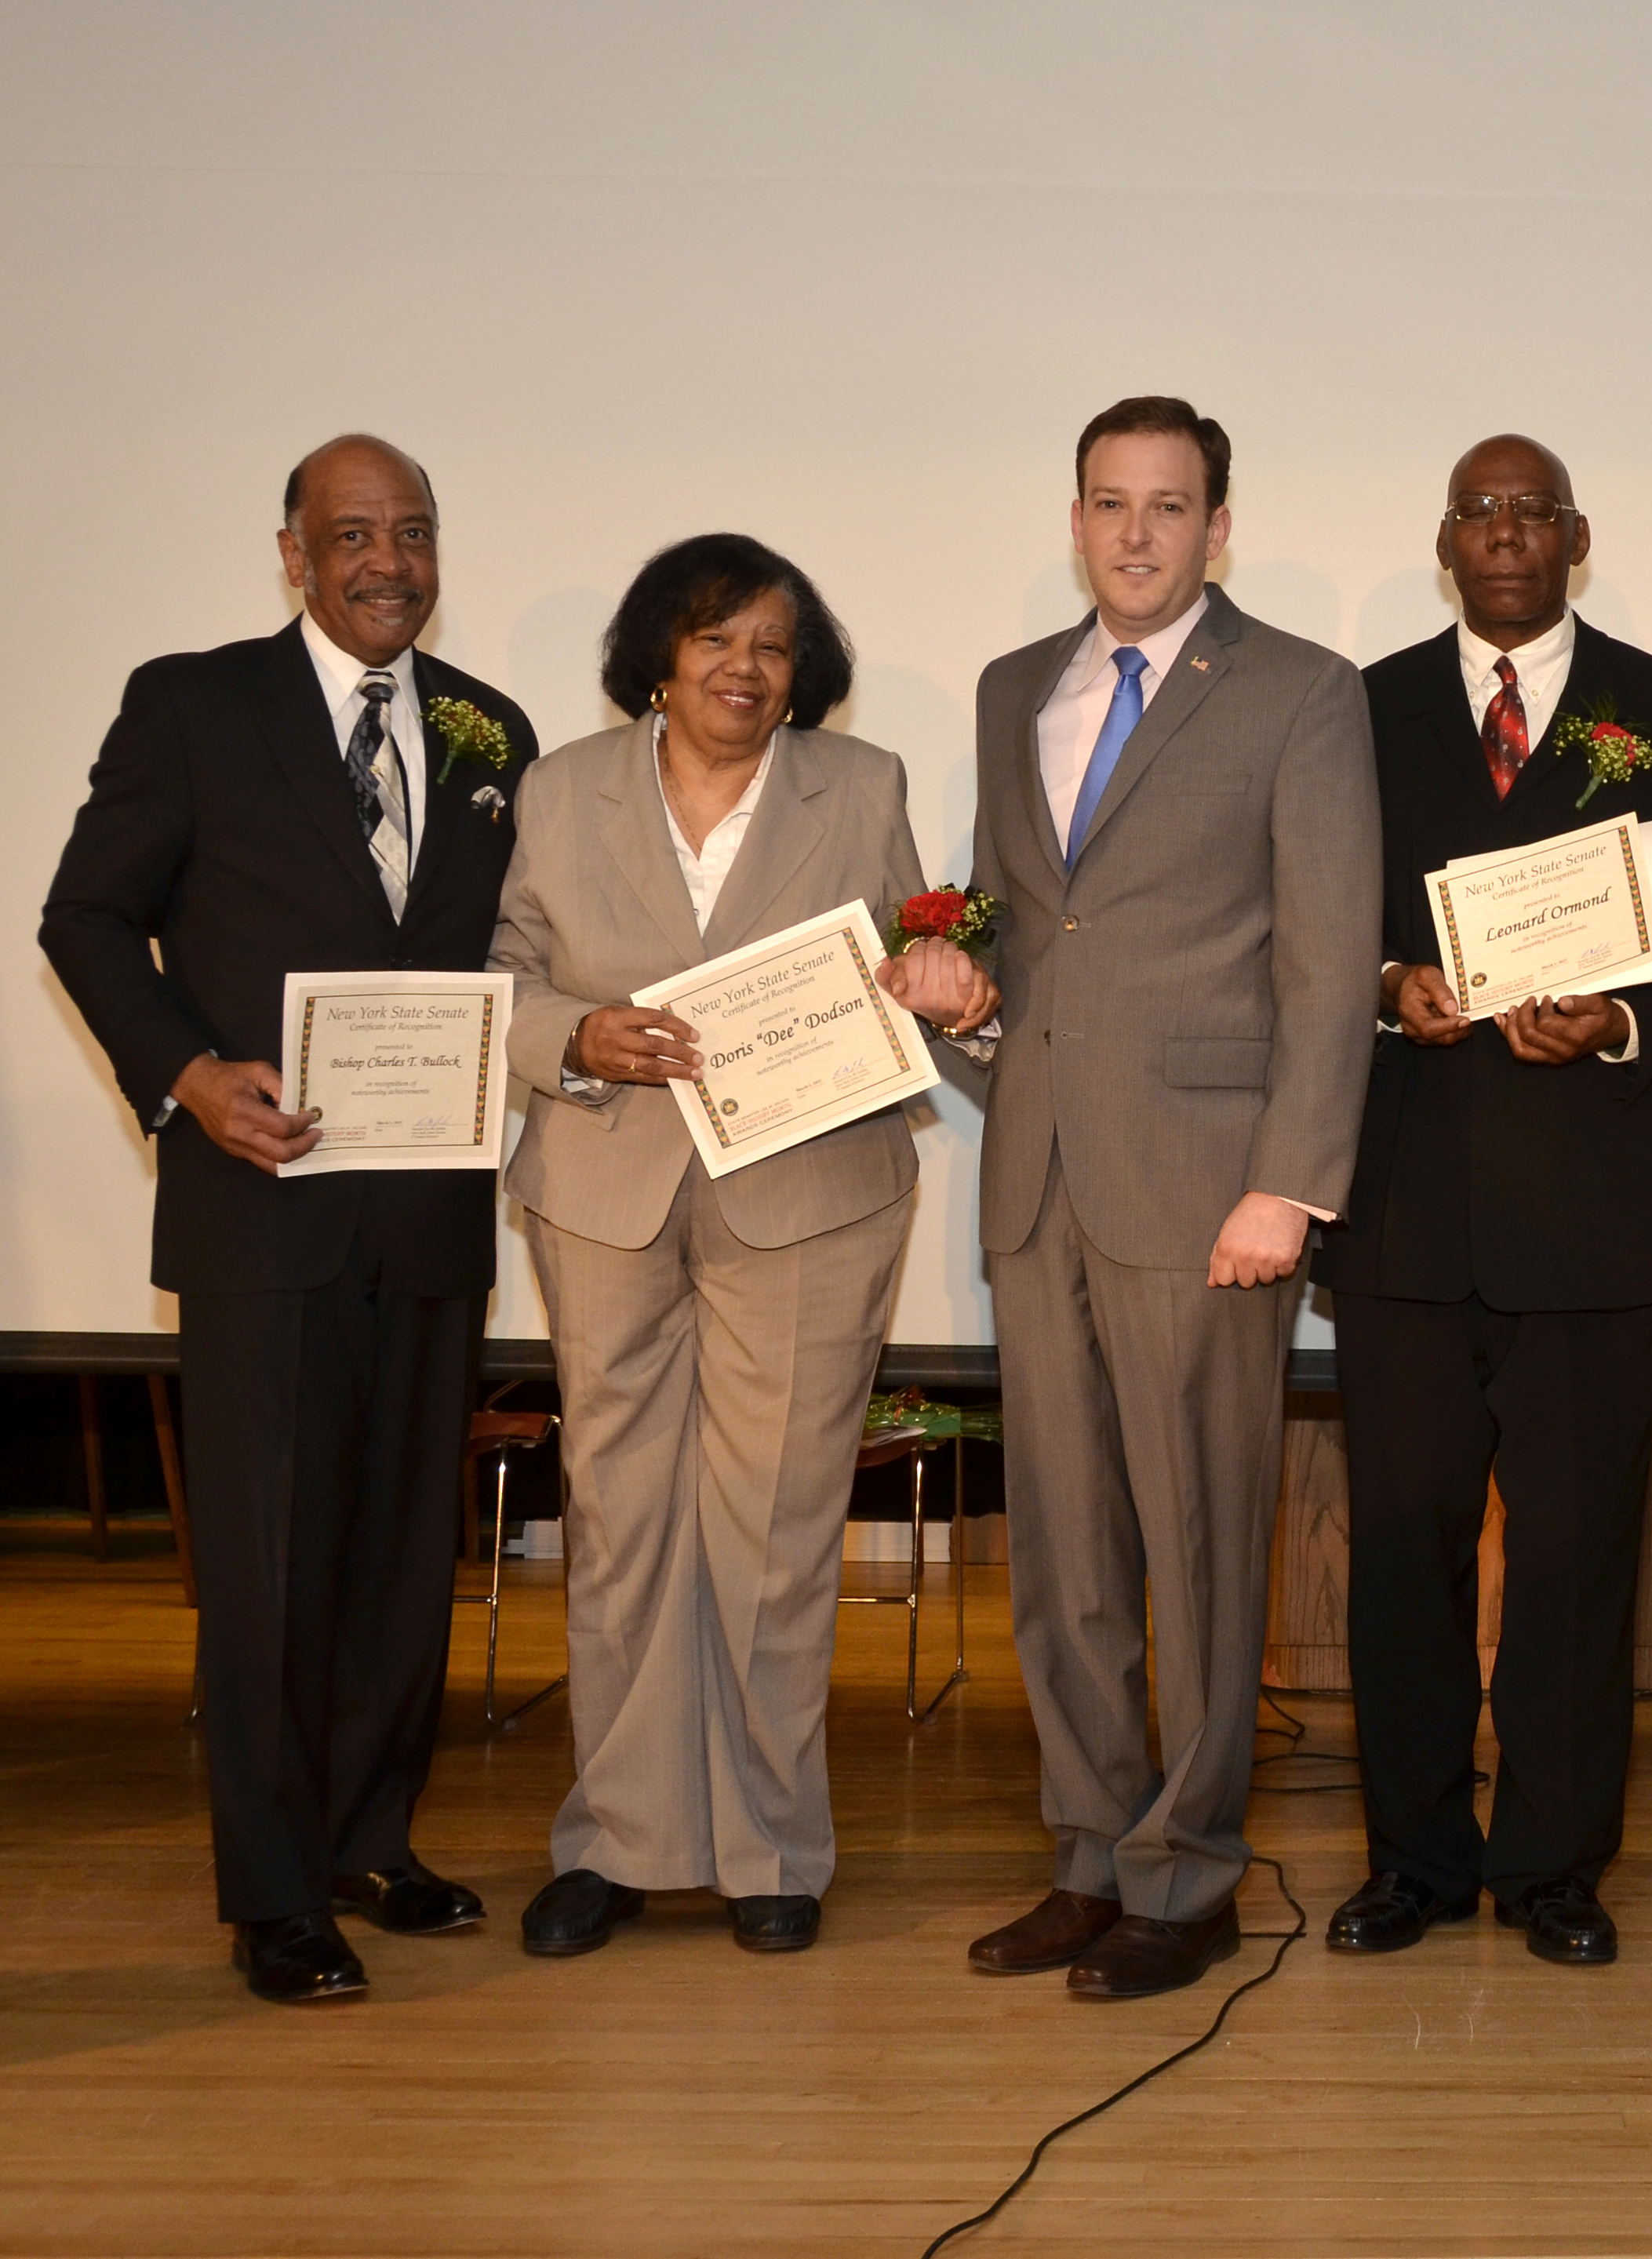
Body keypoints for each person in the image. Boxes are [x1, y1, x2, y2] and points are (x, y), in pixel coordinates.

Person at [39, 436, 535, 2003]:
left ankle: (371, 1837)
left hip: (431, 1214)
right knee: (265, 1565)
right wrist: (185, 1070)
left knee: (402, 1551)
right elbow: (87, 915)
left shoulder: (490, 730)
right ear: (293, 553)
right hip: (259, 1214)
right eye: (354, 535)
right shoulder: (193, 704)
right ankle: (271, 1887)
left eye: (415, 532)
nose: (389, 560)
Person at [490, 534, 995, 1962]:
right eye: (714, 639)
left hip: (812, 1188)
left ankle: (771, 1842)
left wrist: (935, 982)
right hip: (604, 1183)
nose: (743, 669)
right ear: (658, 654)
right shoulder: (561, 786)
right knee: (622, 1519)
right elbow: (506, 970)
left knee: (772, 1529)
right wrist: (571, 1037)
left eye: (771, 646)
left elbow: (903, 962)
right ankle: (619, 1840)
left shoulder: (865, 784)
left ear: (803, 671)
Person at [953, 396, 1381, 2001]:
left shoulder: (1299, 691)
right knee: (1062, 1544)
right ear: (1076, 519)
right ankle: (1088, 1851)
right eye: (1110, 502)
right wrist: (960, 997)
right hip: (1037, 1169)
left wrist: (1291, 1182)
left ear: (1217, 528)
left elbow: (1333, 965)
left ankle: (1188, 1873)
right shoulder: (1016, 692)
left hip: (1213, 1191)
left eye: (1170, 504)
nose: (1136, 532)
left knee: (1198, 1545)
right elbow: (1022, 932)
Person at [1312, 435, 1652, 1968]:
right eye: (1479, 510)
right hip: (1405, 1211)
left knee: (1574, 1558)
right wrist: (1378, 984)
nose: (1505, 532)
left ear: (1577, 535)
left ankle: (1557, 1860)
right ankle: (1412, 1859)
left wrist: (1623, 1019)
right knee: (1404, 1548)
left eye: (1531, 510)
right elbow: (1306, 918)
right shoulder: (1350, 711)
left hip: (1589, 1219)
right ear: (1446, 539)